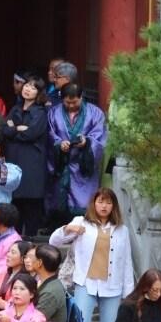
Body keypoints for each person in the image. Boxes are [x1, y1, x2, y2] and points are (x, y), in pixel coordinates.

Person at [49, 189, 133, 322]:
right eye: (101, 202)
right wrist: (67, 229)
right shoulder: (81, 223)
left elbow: (126, 261)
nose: (104, 206)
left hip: (112, 286)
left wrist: (129, 291)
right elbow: (54, 241)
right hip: (85, 282)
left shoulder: (121, 230)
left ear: (114, 206)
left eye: (108, 203)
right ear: (94, 203)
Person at [47, 82, 106, 220]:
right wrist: (59, 144)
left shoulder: (95, 113)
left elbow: (99, 136)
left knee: (84, 203)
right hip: (62, 164)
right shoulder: (53, 113)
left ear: (81, 97)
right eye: (67, 102)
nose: (71, 105)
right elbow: (50, 134)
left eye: (74, 102)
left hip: (82, 166)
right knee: (59, 201)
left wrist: (87, 142)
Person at [0, 76, 49, 235]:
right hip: (14, 158)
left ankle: (31, 239)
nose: (28, 89)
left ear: (39, 92)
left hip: (32, 162)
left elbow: (31, 134)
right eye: (27, 85)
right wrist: (17, 129)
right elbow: (5, 129)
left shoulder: (40, 112)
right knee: (15, 203)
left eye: (33, 87)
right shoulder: (15, 108)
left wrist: (16, 130)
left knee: (31, 203)